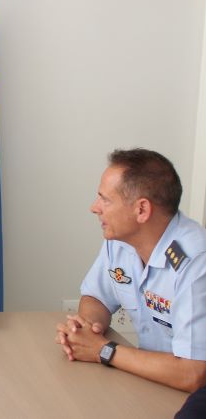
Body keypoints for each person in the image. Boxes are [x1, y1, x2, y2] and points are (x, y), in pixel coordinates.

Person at [56, 148, 206, 392]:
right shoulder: (120, 241)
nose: (94, 208)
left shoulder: (195, 262)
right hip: (152, 383)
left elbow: (194, 374)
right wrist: (87, 329)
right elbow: (96, 297)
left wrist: (103, 351)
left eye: (105, 200)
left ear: (141, 210)